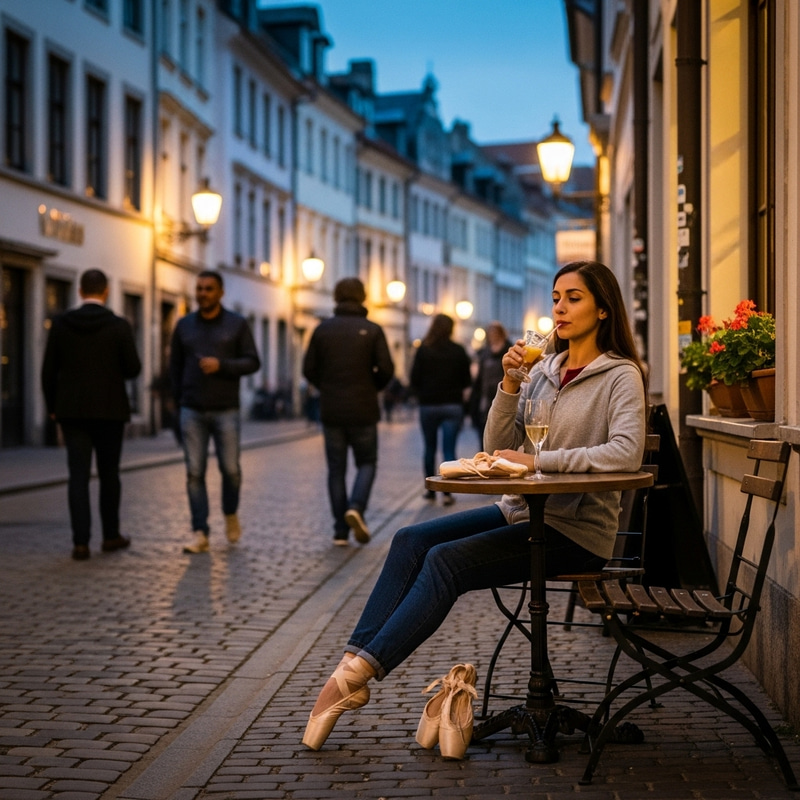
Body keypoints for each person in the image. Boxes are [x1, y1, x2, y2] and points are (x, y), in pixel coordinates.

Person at [301, 260, 647, 754]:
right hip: (524, 513)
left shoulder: (621, 376)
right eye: (555, 298)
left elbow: (624, 452)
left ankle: (352, 679)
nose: (560, 308)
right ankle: (352, 664)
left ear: (604, 309)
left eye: (573, 297)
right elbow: (496, 443)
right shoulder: (544, 371)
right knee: (410, 538)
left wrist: (540, 459)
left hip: (577, 531)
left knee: (447, 561)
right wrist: (508, 387)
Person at [41, 268, 142, 560]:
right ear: (106, 291)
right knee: (110, 475)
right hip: (111, 411)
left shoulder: (61, 324)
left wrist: (52, 407)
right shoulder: (119, 326)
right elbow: (133, 368)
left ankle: (80, 542)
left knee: (78, 476)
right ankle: (110, 535)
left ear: (81, 292)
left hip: (72, 411)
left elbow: (48, 370)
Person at [169, 270, 260, 554]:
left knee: (230, 470)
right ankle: (200, 532)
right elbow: (174, 367)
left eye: (208, 289)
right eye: (199, 289)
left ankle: (230, 512)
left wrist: (222, 365)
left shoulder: (236, 324)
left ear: (220, 292)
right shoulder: (184, 326)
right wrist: (178, 401)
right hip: (192, 408)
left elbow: (252, 362)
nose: (202, 294)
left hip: (226, 409)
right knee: (194, 472)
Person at [303, 277, 394, 546]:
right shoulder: (373, 330)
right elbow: (387, 369)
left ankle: (340, 531)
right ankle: (356, 506)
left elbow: (308, 369)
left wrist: (327, 386)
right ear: (363, 297)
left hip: (331, 409)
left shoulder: (322, 330)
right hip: (364, 408)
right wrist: (371, 386)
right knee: (367, 462)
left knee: (336, 469)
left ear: (336, 297)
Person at [410, 313, 472, 506]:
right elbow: (467, 381)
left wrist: (422, 393)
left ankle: (430, 491)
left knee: (429, 448)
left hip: (428, 405)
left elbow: (414, 378)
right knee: (449, 449)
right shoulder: (458, 350)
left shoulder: (423, 350)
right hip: (452, 405)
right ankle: (447, 492)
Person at [469, 320, 513, 443]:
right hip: (485, 398)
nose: (492, 335)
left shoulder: (509, 351)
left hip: (502, 395)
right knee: (483, 435)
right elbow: (480, 378)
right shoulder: (485, 353)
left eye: (495, 332)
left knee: (500, 435)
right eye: (490, 333)